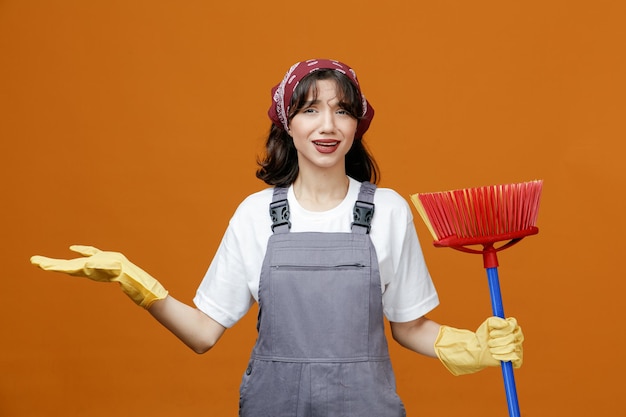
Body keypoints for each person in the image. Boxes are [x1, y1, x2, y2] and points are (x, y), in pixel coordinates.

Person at [31, 58, 524, 416]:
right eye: (310, 110)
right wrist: (135, 283)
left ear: (357, 124)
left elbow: (409, 327)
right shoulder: (256, 216)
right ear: (287, 123)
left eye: (342, 111)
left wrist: (475, 347)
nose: (327, 125)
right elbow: (204, 333)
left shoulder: (388, 212)